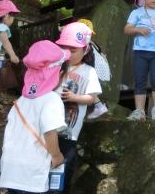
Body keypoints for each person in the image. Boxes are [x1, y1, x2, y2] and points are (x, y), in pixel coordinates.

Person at [0, 40, 70, 194]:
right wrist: (56, 156)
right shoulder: (52, 100)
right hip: (32, 172)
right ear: (60, 74)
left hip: (11, 169)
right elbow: (50, 132)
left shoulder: (21, 101)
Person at [54, 21, 102, 193]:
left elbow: (92, 97)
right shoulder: (56, 67)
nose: (68, 54)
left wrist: (74, 97)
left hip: (69, 133)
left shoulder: (88, 72)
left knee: (64, 170)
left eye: (73, 51)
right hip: (48, 130)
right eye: (64, 49)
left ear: (86, 50)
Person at [76, 18, 111, 120]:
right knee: (87, 89)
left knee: (87, 88)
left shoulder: (87, 45)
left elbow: (89, 60)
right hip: (98, 70)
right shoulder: (92, 44)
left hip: (91, 69)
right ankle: (98, 106)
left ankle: (99, 106)